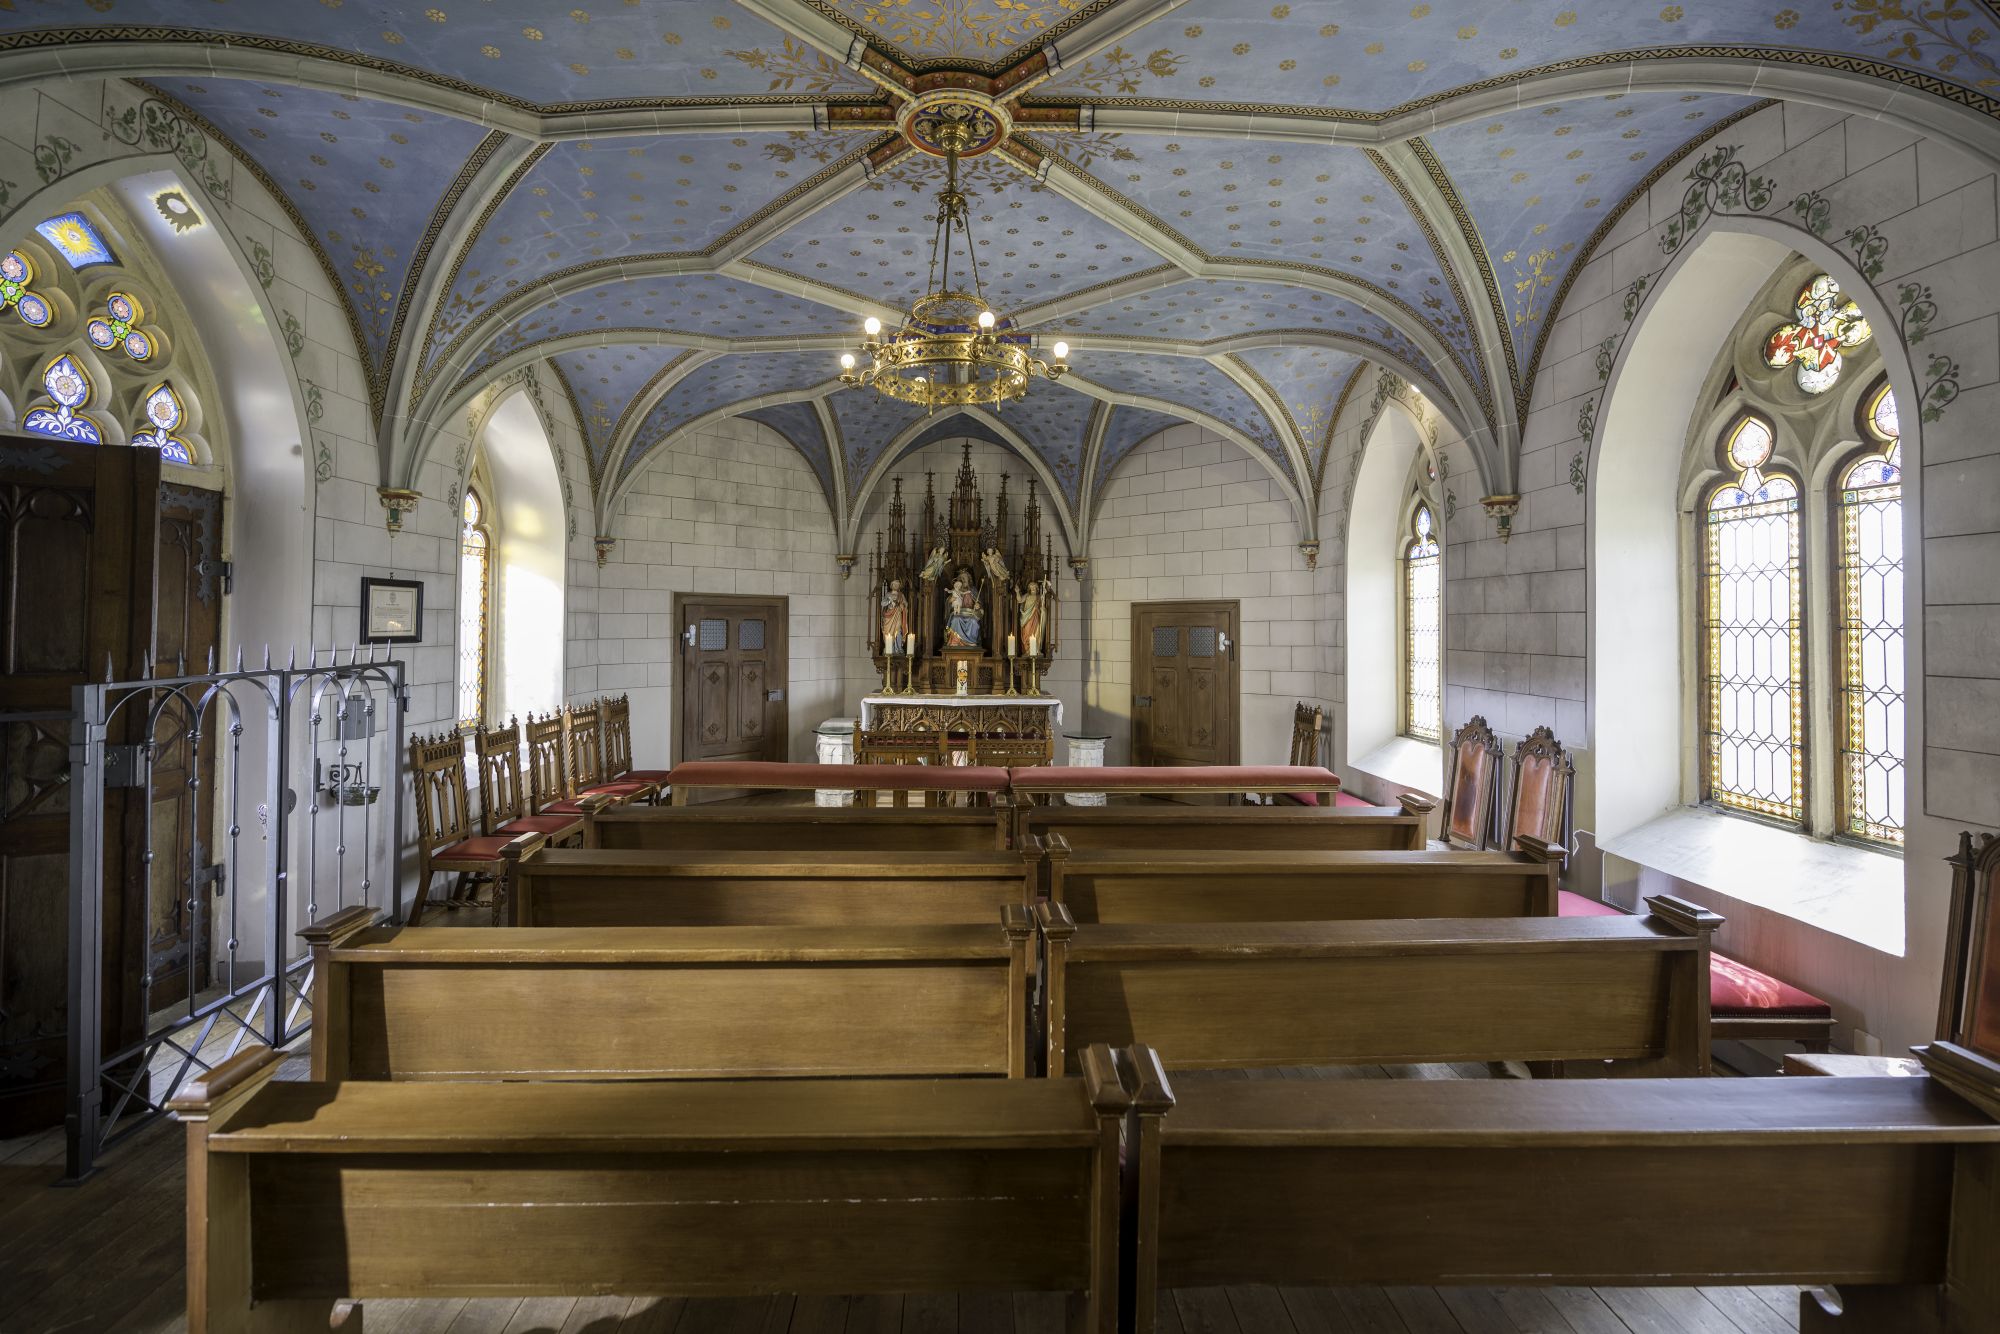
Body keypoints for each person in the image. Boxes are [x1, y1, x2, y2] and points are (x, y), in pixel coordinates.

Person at [944, 570, 982, 648]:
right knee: (955, 620)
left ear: (969, 579)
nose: (964, 580)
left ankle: (971, 642)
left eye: (965, 578)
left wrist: (978, 606)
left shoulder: (973, 590)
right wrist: (950, 601)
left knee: (973, 622)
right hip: (958, 613)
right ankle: (955, 642)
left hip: (971, 614)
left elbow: (980, 605)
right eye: (961, 578)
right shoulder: (956, 590)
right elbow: (948, 603)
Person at [880, 578, 910, 651]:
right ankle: (890, 648)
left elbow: (906, 604)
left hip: (898, 614)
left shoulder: (901, 595)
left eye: (898, 585)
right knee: (888, 631)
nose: (896, 586)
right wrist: (890, 601)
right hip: (889, 616)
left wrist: (902, 605)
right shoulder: (888, 594)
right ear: (891, 585)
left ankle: (898, 648)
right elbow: (882, 603)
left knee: (898, 630)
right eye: (895, 584)